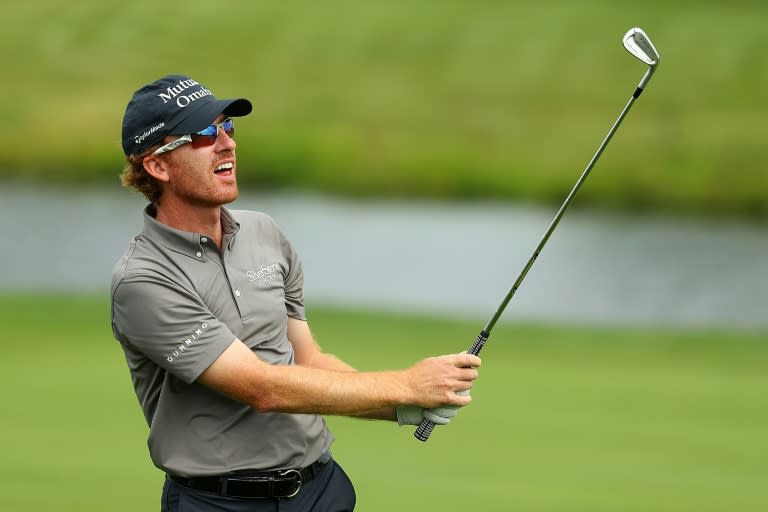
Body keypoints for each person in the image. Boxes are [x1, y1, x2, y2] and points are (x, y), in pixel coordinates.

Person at [111, 74, 481, 511]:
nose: (226, 143)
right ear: (157, 165)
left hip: (321, 489)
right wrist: (404, 385)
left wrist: (402, 406)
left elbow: (307, 360)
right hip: (219, 503)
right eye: (203, 134)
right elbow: (261, 388)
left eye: (228, 128)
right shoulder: (144, 280)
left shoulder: (263, 232)